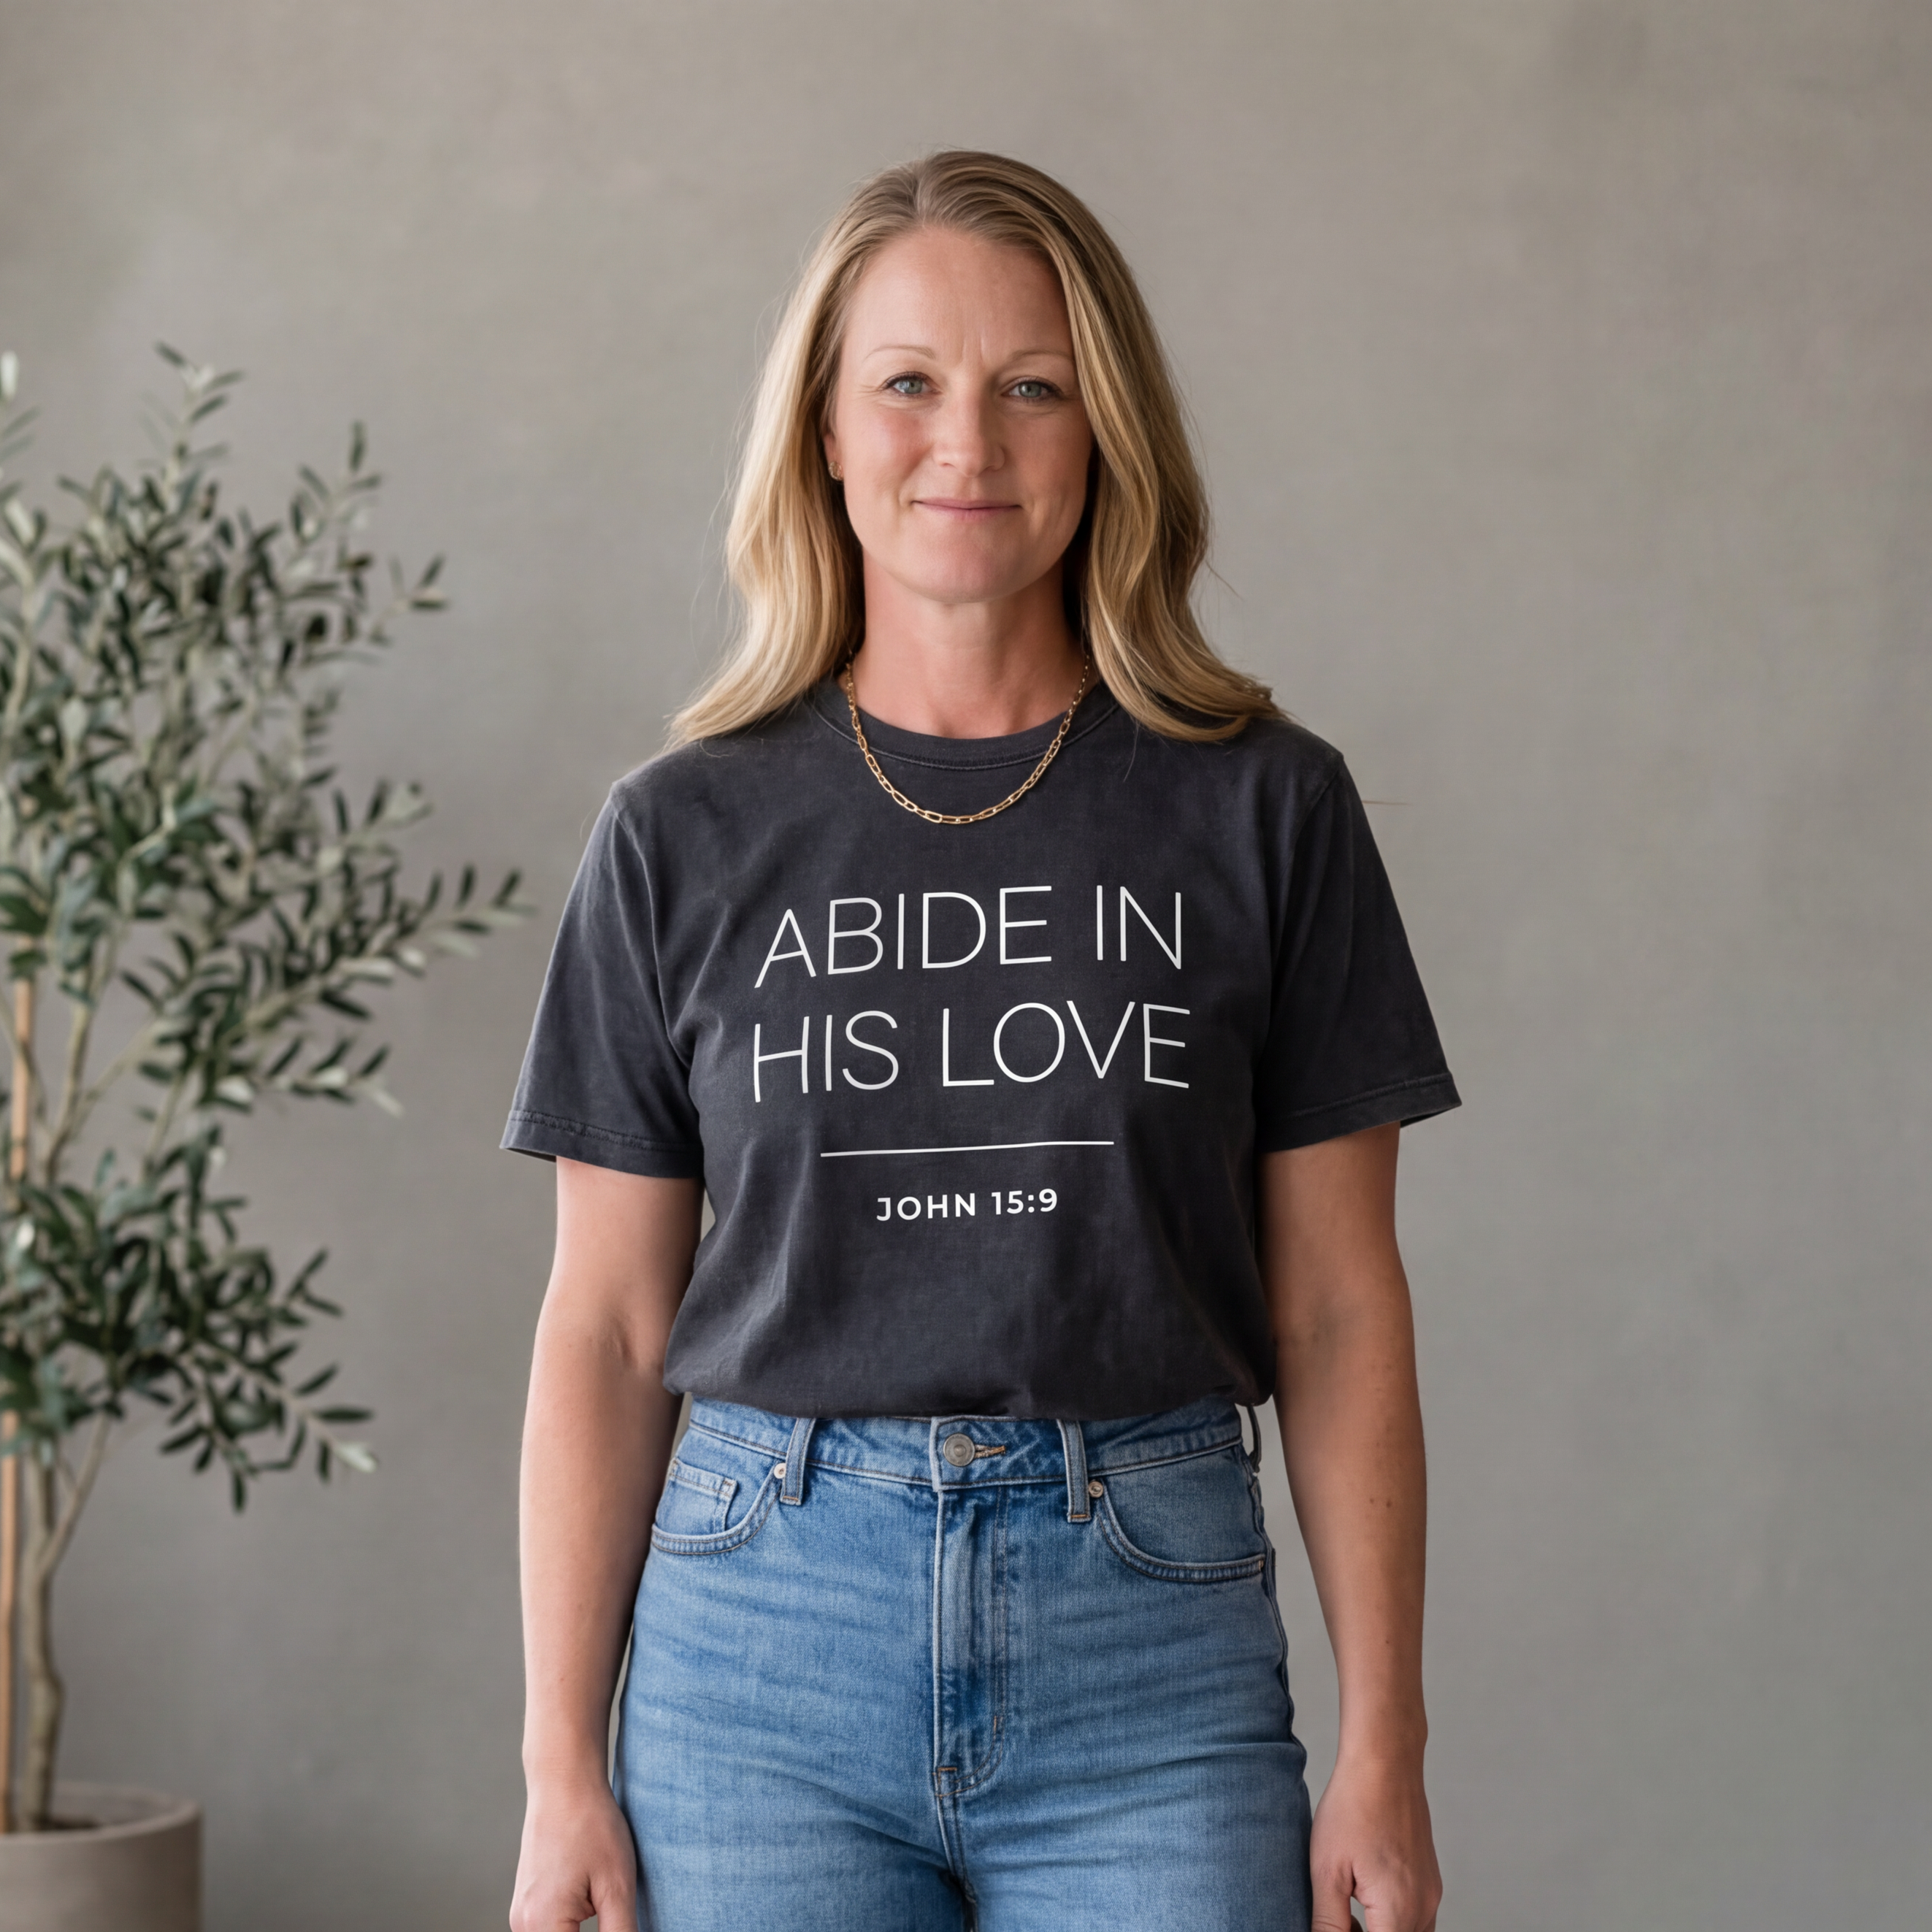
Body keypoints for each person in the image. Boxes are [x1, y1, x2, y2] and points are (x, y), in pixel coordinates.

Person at [503, 150, 1457, 1932]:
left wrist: (1385, 1750)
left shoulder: (1267, 810)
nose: (973, 442)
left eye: (1034, 385)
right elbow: (609, 1322)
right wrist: (562, 1770)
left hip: (1150, 1642)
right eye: (910, 384)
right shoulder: (679, 832)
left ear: (1106, 433)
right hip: (758, 1657)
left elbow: (1338, 1303)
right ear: (826, 434)